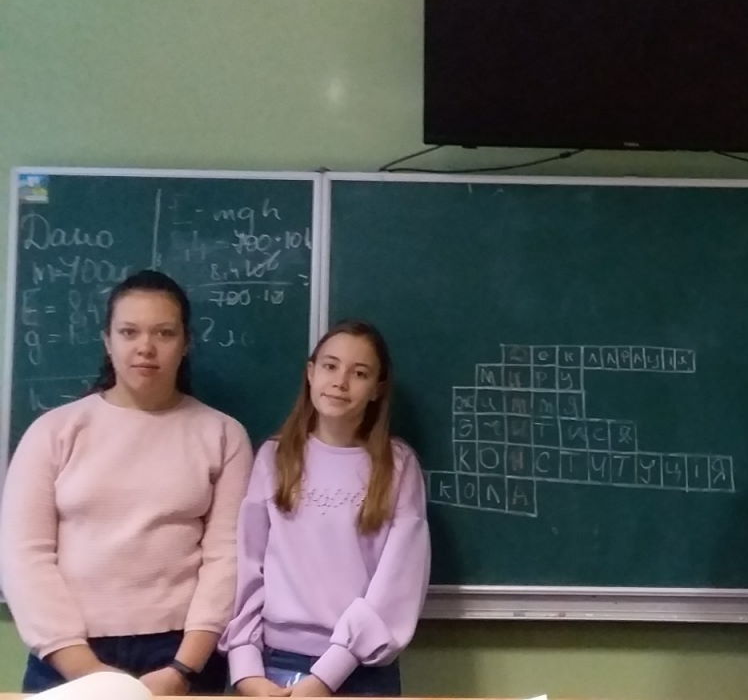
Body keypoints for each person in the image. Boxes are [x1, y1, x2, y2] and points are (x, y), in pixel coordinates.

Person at [1, 269, 253, 694]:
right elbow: (24, 557)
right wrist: (86, 670)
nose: (145, 348)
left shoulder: (223, 435)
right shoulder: (54, 431)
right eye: (129, 332)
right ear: (108, 340)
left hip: (181, 653)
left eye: (164, 333)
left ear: (186, 342)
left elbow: (227, 559)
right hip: (67, 652)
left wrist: (183, 669)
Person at [222, 320, 429, 697]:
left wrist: (325, 677)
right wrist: (246, 668)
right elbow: (248, 568)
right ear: (310, 373)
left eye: (359, 373)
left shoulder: (397, 467)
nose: (340, 382)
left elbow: (398, 584)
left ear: (377, 389)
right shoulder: (274, 457)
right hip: (272, 665)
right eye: (330, 366)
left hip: (359, 671)